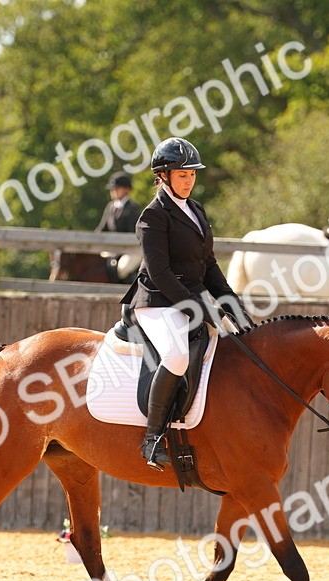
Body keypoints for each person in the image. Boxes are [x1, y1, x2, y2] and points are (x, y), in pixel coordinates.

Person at [119, 137, 254, 470]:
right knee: (177, 355)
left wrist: (232, 306)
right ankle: (152, 439)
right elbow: (160, 272)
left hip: (187, 300)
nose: (189, 181)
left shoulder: (195, 210)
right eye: (182, 175)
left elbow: (208, 266)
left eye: (192, 175)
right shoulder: (152, 216)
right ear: (163, 176)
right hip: (156, 303)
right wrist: (198, 306)